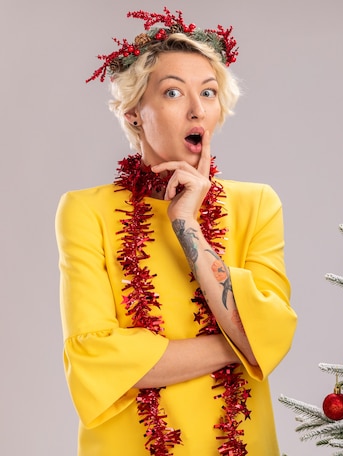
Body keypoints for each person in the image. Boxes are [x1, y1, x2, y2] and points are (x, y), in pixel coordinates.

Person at [55, 8, 297, 456]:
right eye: (172, 92)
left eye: (208, 92)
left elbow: (273, 337)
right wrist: (240, 346)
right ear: (133, 115)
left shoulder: (256, 204)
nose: (196, 109)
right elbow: (94, 357)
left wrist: (186, 223)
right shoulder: (85, 210)